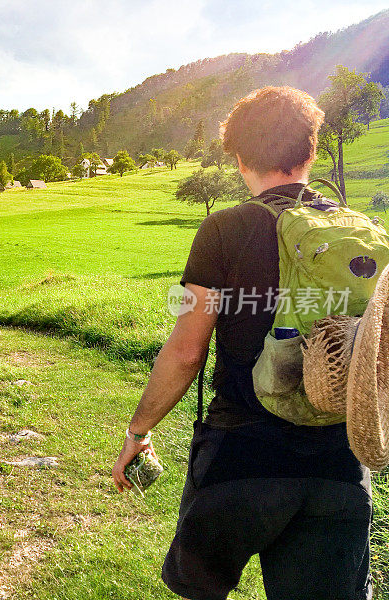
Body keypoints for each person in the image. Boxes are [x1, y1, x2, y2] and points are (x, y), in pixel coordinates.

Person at [111, 86, 372, 600]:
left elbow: (188, 351)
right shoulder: (362, 234)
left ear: (237, 156)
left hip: (240, 458)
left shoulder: (224, 230)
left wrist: (138, 431)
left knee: (200, 589)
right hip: (339, 465)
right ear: (312, 151)